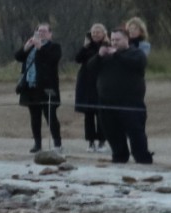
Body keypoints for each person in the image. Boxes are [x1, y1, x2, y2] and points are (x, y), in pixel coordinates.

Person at [99, 27, 151, 165]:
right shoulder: (107, 55)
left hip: (131, 102)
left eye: (118, 39)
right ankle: (119, 156)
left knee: (135, 132)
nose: (114, 42)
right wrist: (99, 55)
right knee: (112, 131)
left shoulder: (136, 53)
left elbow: (136, 64)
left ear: (126, 39)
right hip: (107, 102)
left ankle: (142, 158)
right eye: (113, 39)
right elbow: (90, 67)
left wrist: (116, 54)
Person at [14, 23, 64, 154]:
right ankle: (37, 144)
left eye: (44, 31)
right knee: (34, 117)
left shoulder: (54, 47)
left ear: (50, 34)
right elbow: (18, 57)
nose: (41, 33)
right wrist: (26, 47)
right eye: (39, 31)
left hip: (47, 87)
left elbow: (52, 60)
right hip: (31, 86)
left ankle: (57, 144)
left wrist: (40, 47)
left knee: (51, 116)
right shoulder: (31, 47)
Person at [74, 23, 108, 152]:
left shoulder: (107, 46)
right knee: (88, 114)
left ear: (104, 33)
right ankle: (90, 141)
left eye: (98, 32)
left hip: (101, 82)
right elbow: (77, 59)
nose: (95, 34)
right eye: (93, 32)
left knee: (101, 114)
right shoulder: (87, 47)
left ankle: (102, 141)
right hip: (86, 83)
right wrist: (85, 46)